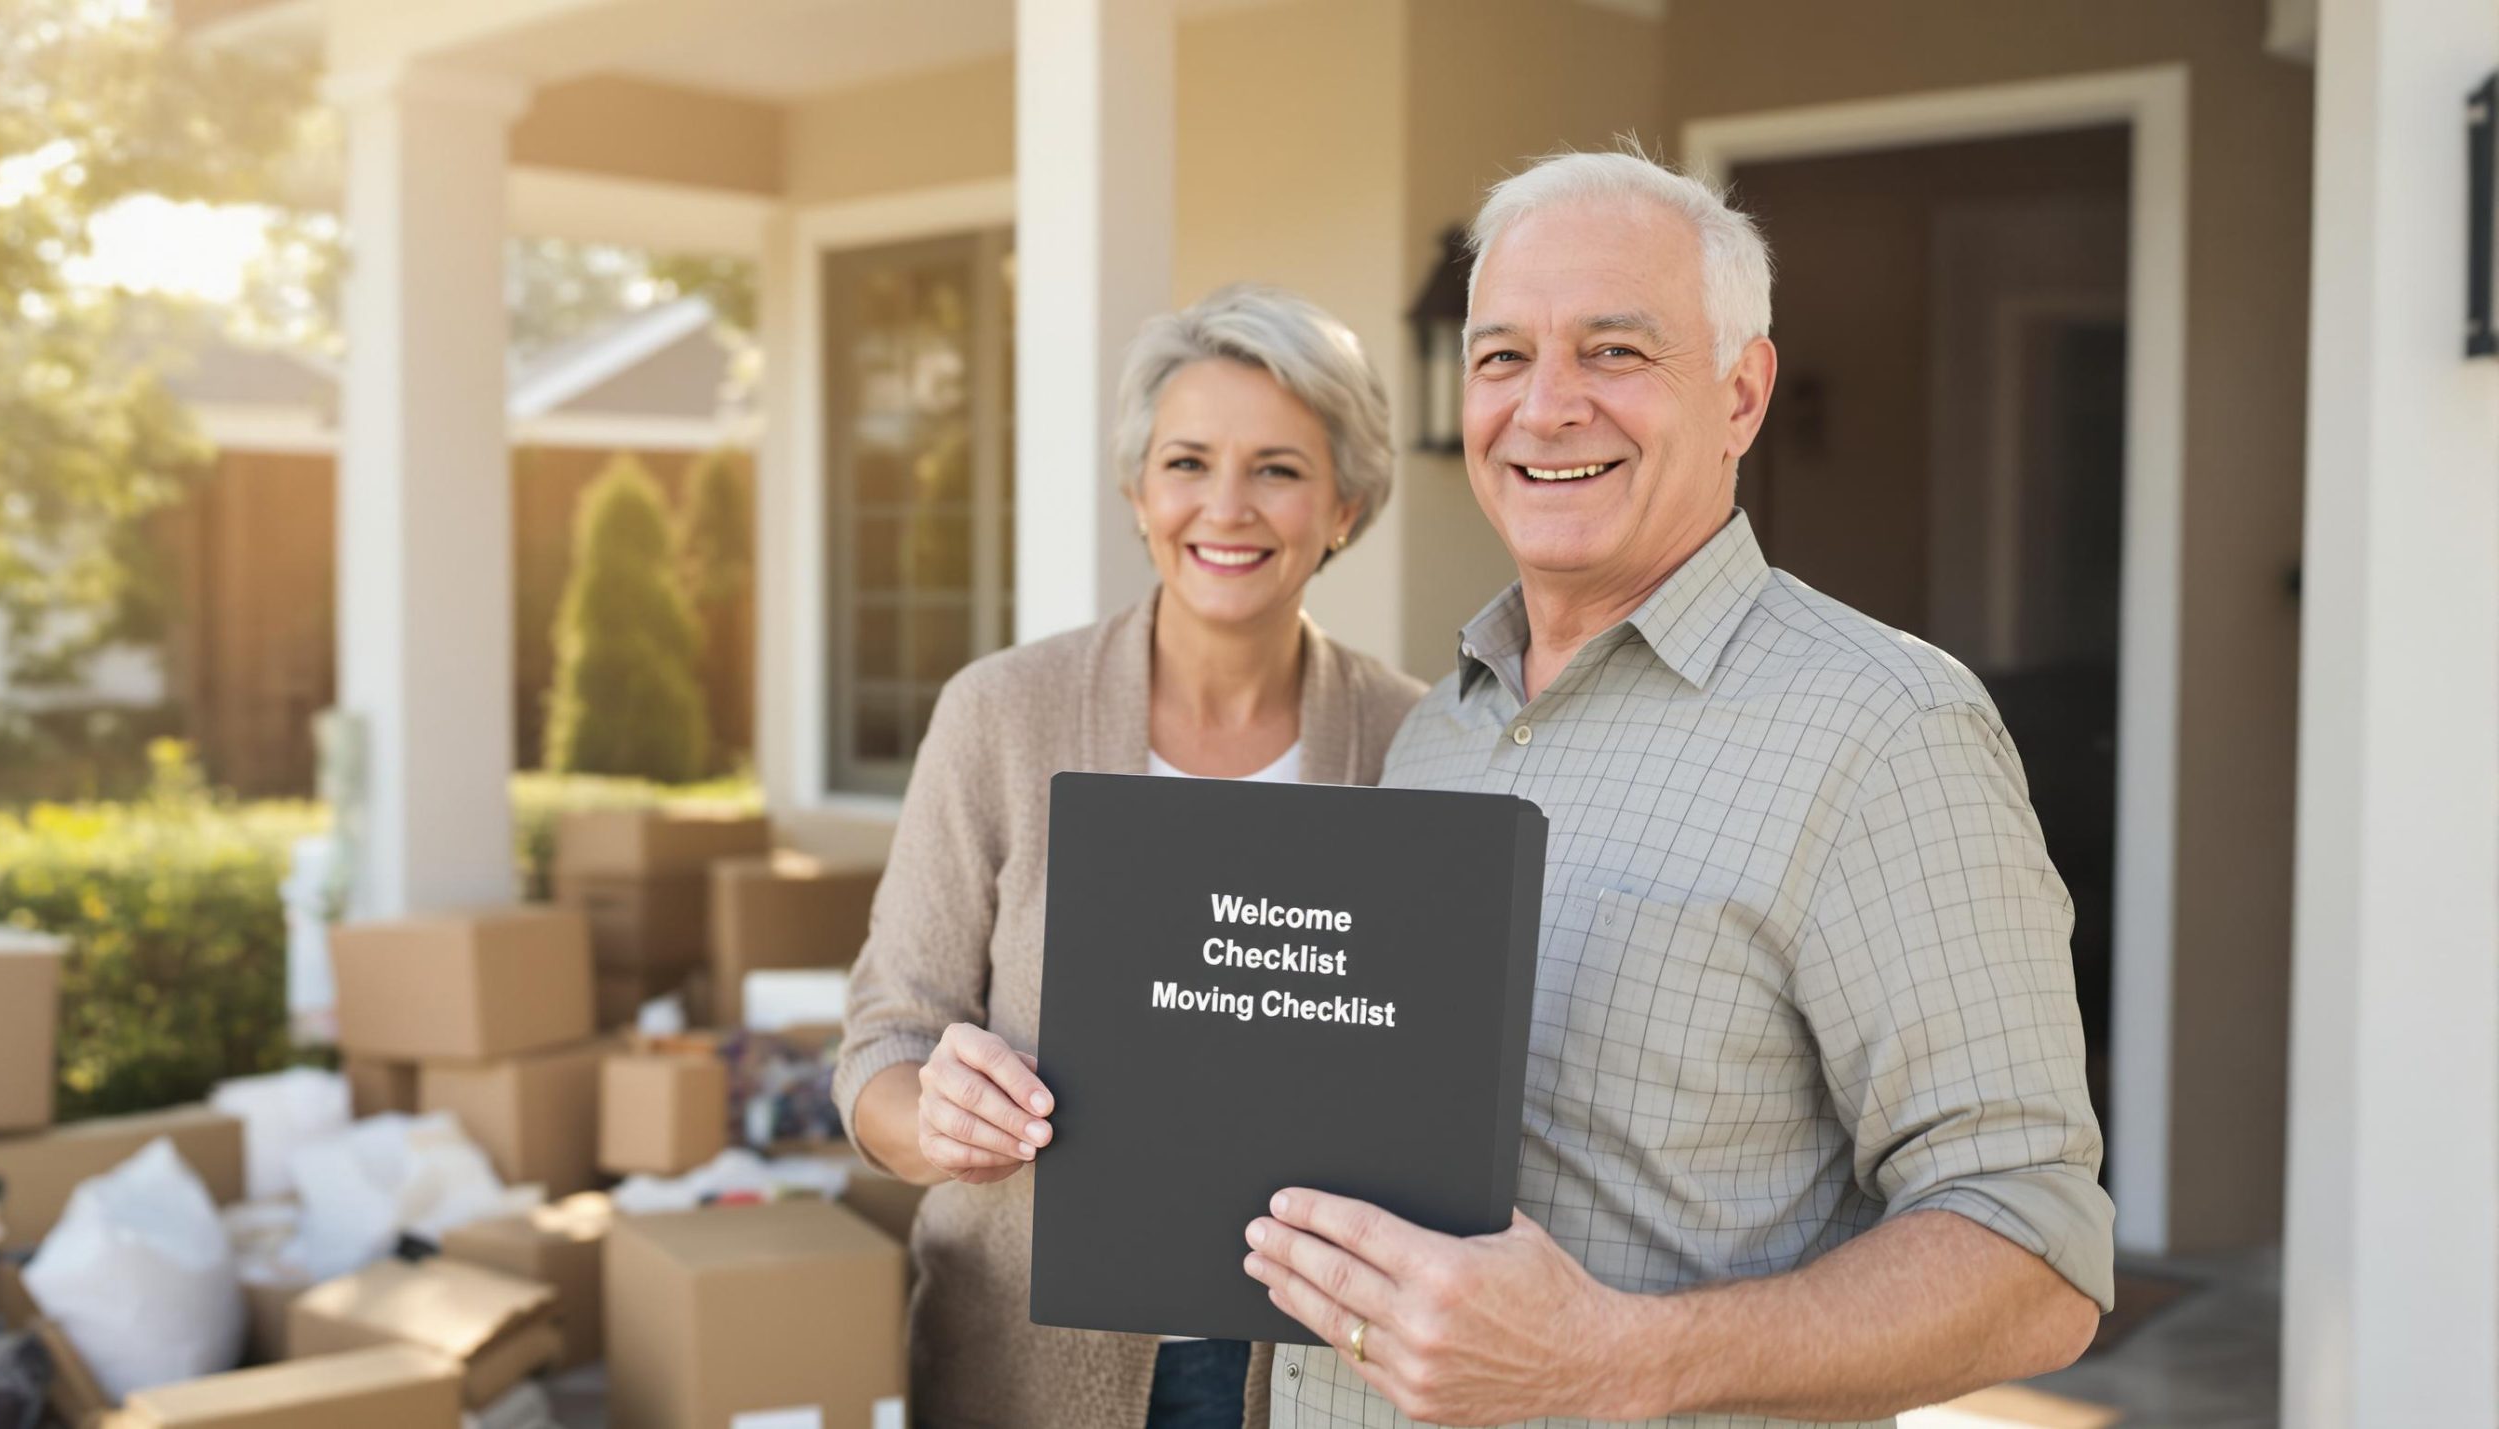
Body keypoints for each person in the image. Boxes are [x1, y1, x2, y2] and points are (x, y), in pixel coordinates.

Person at [1239, 147, 2114, 1427]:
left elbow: (2033, 1253)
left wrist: (1617, 1358)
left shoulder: (1886, 727)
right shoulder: (1439, 726)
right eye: (1500, 358)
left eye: (1614, 352)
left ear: (1741, 397)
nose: (1544, 408)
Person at [833, 284, 1429, 1429]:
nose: (1227, 506)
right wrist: (938, 1121)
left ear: (1345, 504)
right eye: (1188, 462)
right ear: (1136, 491)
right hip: (1022, 1355)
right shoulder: (1001, 716)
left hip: (1309, 1373)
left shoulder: (1414, 743)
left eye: (1279, 468)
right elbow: (880, 1050)